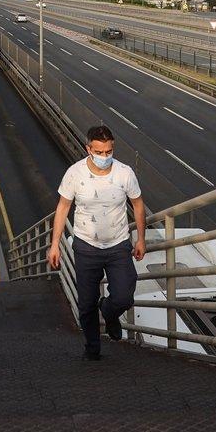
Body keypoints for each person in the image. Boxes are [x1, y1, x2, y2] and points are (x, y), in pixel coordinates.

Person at [47, 125, 146, 361]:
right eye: (99, 152)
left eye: (108, 152)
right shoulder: (74, 173)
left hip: (119, 245)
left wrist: (141, 239)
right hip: (86, 246)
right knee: (86, 303)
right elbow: (63, 208)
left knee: (123, 296)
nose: (104, 157)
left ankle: (110, 312)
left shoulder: (125, 173)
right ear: (88, 149)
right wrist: (54, 244)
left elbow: (138, 205)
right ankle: (92, 348)